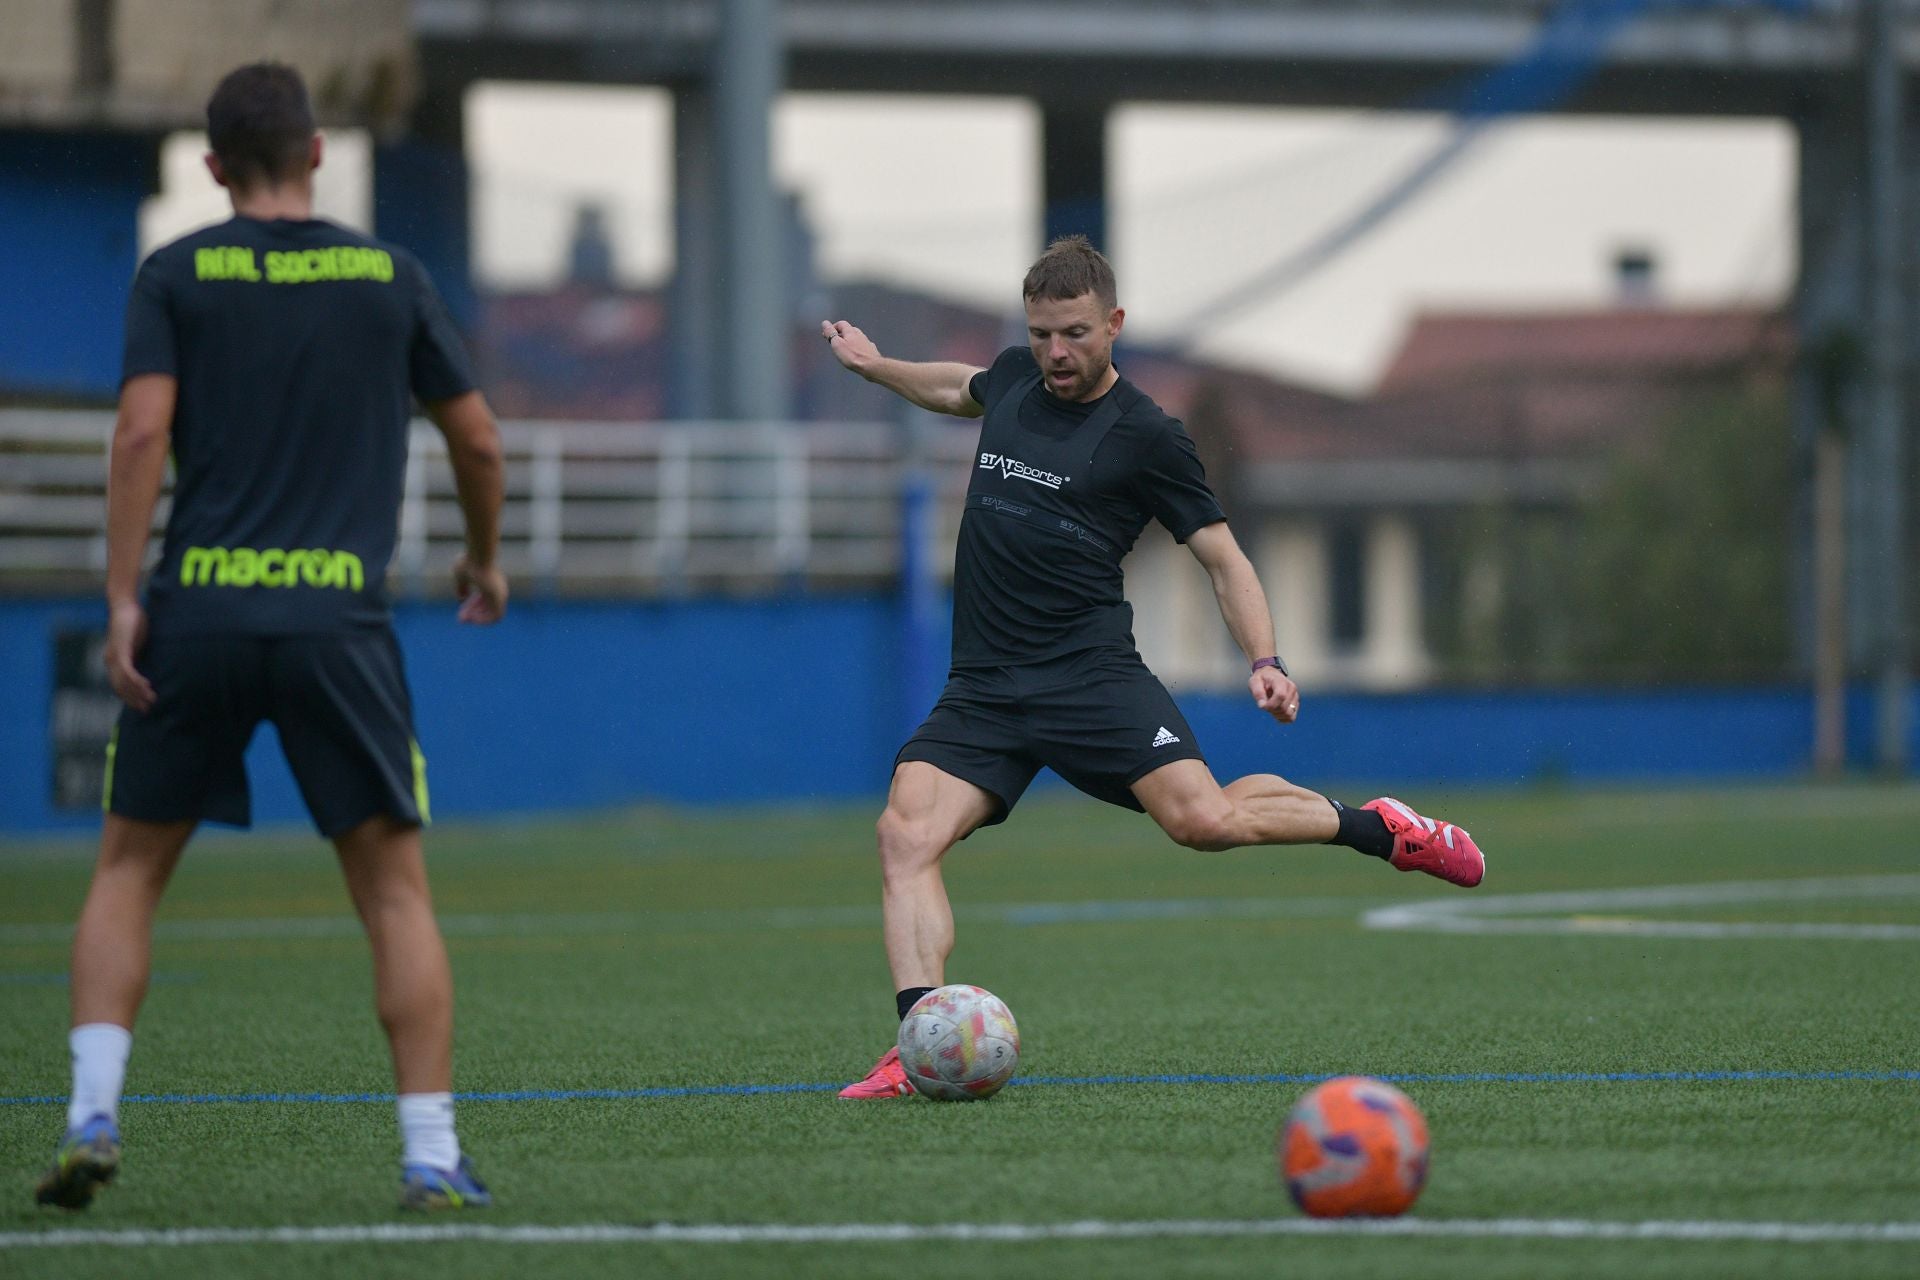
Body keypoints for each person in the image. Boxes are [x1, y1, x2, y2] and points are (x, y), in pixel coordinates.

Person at [822, 236, 1485, 1099]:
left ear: (1116, 325)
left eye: (1075, 334)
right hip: (984, 686)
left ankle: (1381, 828)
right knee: (904, 835)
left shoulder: (1147, 435)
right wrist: (878, 368)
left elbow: (1223, 557)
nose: (1056, 353)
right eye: (1041, 334)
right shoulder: (1018, 378)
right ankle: (916, 1047)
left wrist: (1266, 658)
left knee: (1204, 821)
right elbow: (957, 388)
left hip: (1090, 675)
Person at [33, 63, 508, 1210]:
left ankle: (94, 1107)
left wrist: (122, 595)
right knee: (392, 891)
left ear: (210, 169)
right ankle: (431, 1153)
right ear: (316, 155)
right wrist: (484, 556)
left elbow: (142, 431)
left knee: (130, 867)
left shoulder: (175, 272)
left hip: (196, 607)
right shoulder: (388, 275)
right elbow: (479, 440)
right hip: (337, 619)